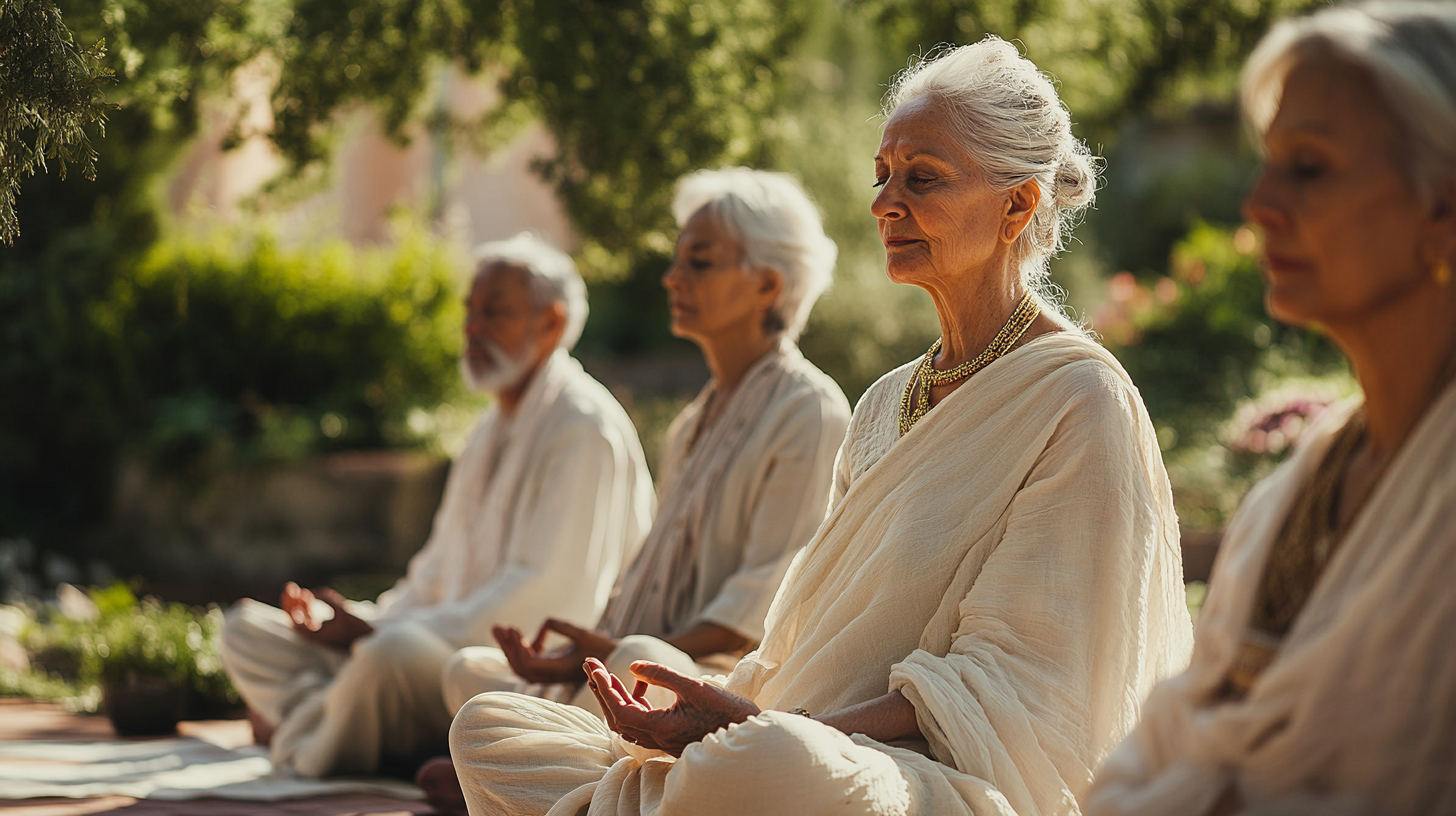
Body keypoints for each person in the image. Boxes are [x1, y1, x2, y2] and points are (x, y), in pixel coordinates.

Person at [449, 38, 1193, 816]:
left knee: (770, 767)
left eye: (923, 179)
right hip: (788, 733)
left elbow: (1013, 684)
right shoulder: (883, 401)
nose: (884, 202)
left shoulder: (1079, 398)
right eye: (883, 176)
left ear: (1019, 204)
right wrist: (721, 716)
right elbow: (800, 638)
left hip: (915, 773)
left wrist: (766, 731)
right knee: (487, 726)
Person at [1084, 4, 1456, 815]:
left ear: (1443, 210)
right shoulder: (1298, 488)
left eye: (1310, 167)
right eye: (1268, 163)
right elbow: (1168, 736)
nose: (1257, 205)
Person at [417, 168, 852, 811]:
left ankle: (564, 783)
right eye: (676, 262)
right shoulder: (691, 422)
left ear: (768, 284)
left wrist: (614, 651)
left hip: (717, 686)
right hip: (638, 662)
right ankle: (587, 780)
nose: (673, 279)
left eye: (698, 263)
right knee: (470, 674)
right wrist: (580, 657)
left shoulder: (810, 412)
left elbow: (765, 610)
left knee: (640, 654)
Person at [219, 233, 655, 779]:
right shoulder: (487, 431)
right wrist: (362, 621)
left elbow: (544, 609)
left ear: (550, 324)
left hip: (507, 673)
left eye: (494, 312)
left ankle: (310, 733)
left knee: (390, 655)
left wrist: (376, 637)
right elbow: (434, 570)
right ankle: (363, 723)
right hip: (427, 644)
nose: (473, 327)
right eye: (470, 311)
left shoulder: (583, 427)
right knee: (243, 629)